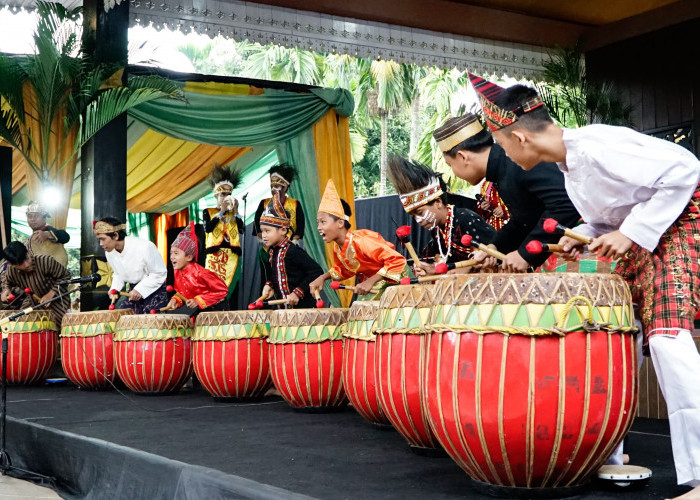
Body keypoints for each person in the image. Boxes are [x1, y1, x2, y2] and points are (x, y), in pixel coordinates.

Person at [471, 74, 700, 496]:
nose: (501, 154)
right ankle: (610, 455)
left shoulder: (597, 145)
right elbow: (606, 218)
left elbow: (686, 170)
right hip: (640, 232)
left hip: (679, 222)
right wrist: (584, 238)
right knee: (609, 330)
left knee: (667, 338)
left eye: (501, 145)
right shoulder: (568, 167)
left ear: (519, 137)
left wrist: (630, 234)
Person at [432, 113, 580, 271]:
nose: (453, 172)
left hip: (584, 247)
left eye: (450, 165)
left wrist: (524, 255)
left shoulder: (517, 158)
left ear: (462, 157)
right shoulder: (502, 168)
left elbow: (565, 204)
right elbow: (524, 220)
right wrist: (494, 247)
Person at [387, 155, 495, 275]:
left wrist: (467, 269)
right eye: (413, 216)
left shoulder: (465, 219)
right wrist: (432, 269)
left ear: (438, 202)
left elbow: (499, 250)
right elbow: (450, 265)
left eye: (420, 213)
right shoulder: (438, 230)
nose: (418, 220)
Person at [309, 179, 407, 300]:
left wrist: (370, 281)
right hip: (375, 285)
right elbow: (342, 270)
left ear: (340, 223)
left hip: (399, 282)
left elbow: (396, 260)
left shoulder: (362, 240)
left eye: (323, 222)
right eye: (317, 223)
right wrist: (323, 277)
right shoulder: (338, 248)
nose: (319, 228)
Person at [259, 193, 324, 309]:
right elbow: (275, 275)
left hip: (303, 310)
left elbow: (316, 271)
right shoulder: (272, 252)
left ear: (283, 230)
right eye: (262, 231)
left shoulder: (292, 251)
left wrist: (297, 292)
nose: (263, 235)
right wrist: (269, 285)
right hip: (284, 311)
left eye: (267, 231)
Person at [94, 217, 168, 314]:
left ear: (115, 235)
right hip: (133, 292)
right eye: (99, 240)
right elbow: (118, 274)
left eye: (103, 239)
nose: (101, 244)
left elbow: (159, 273)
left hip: (154, 290)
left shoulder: (145, 247)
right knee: (121, 317)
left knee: (151, 324)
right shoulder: (109, 252)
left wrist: (140, 290)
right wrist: (114, 289)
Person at [0, 241, 71, 323]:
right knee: (19, 326)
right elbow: (7, 282)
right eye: (21, 263)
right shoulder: (12, 271)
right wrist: (6, 290)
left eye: (26, 258)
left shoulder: (46, 261)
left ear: (28, 252)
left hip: (58, 305)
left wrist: (51, 294)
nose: (26, 264)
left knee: (58, 327)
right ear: (13, 265)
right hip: (33, 305)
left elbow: (66, 276)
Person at [203, 164, 244, 303]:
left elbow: (241, 229)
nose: (226, 197)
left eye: (228, 195)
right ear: (216, 195)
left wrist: (236, 211)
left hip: (231, 255)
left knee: (231, 288)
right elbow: (208, 229)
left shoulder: (234, 213)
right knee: (213, 287)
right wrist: (221, 211)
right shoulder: (209, 212)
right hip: (214, 256)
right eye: (223, 194)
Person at [167, 222, 228, 316]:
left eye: (176, 253)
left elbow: (223, 290)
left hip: (214, 310)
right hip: (196, 311)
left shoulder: (200, 273)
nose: (172, 257)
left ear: (189, 257)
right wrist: (175, 299)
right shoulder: (177, 272)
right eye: (171, 253)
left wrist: (198, 301)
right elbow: (183, 293)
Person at [253, 163, 305, 243]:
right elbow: (257, 224)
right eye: (272, 186)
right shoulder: (264, 203)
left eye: (276, 186)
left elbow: (300, 226)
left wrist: (294, 240)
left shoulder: (295, 204)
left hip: (290, 245)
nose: (273, 189)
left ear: (285, 187)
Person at [25, 201, 70, 267]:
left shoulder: (48, 229)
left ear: (45, 218)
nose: (33, 219)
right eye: (30, 216)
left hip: (55, 273)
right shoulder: (31, 237)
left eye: (36, 216)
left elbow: (65, 236)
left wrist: (48, 234)